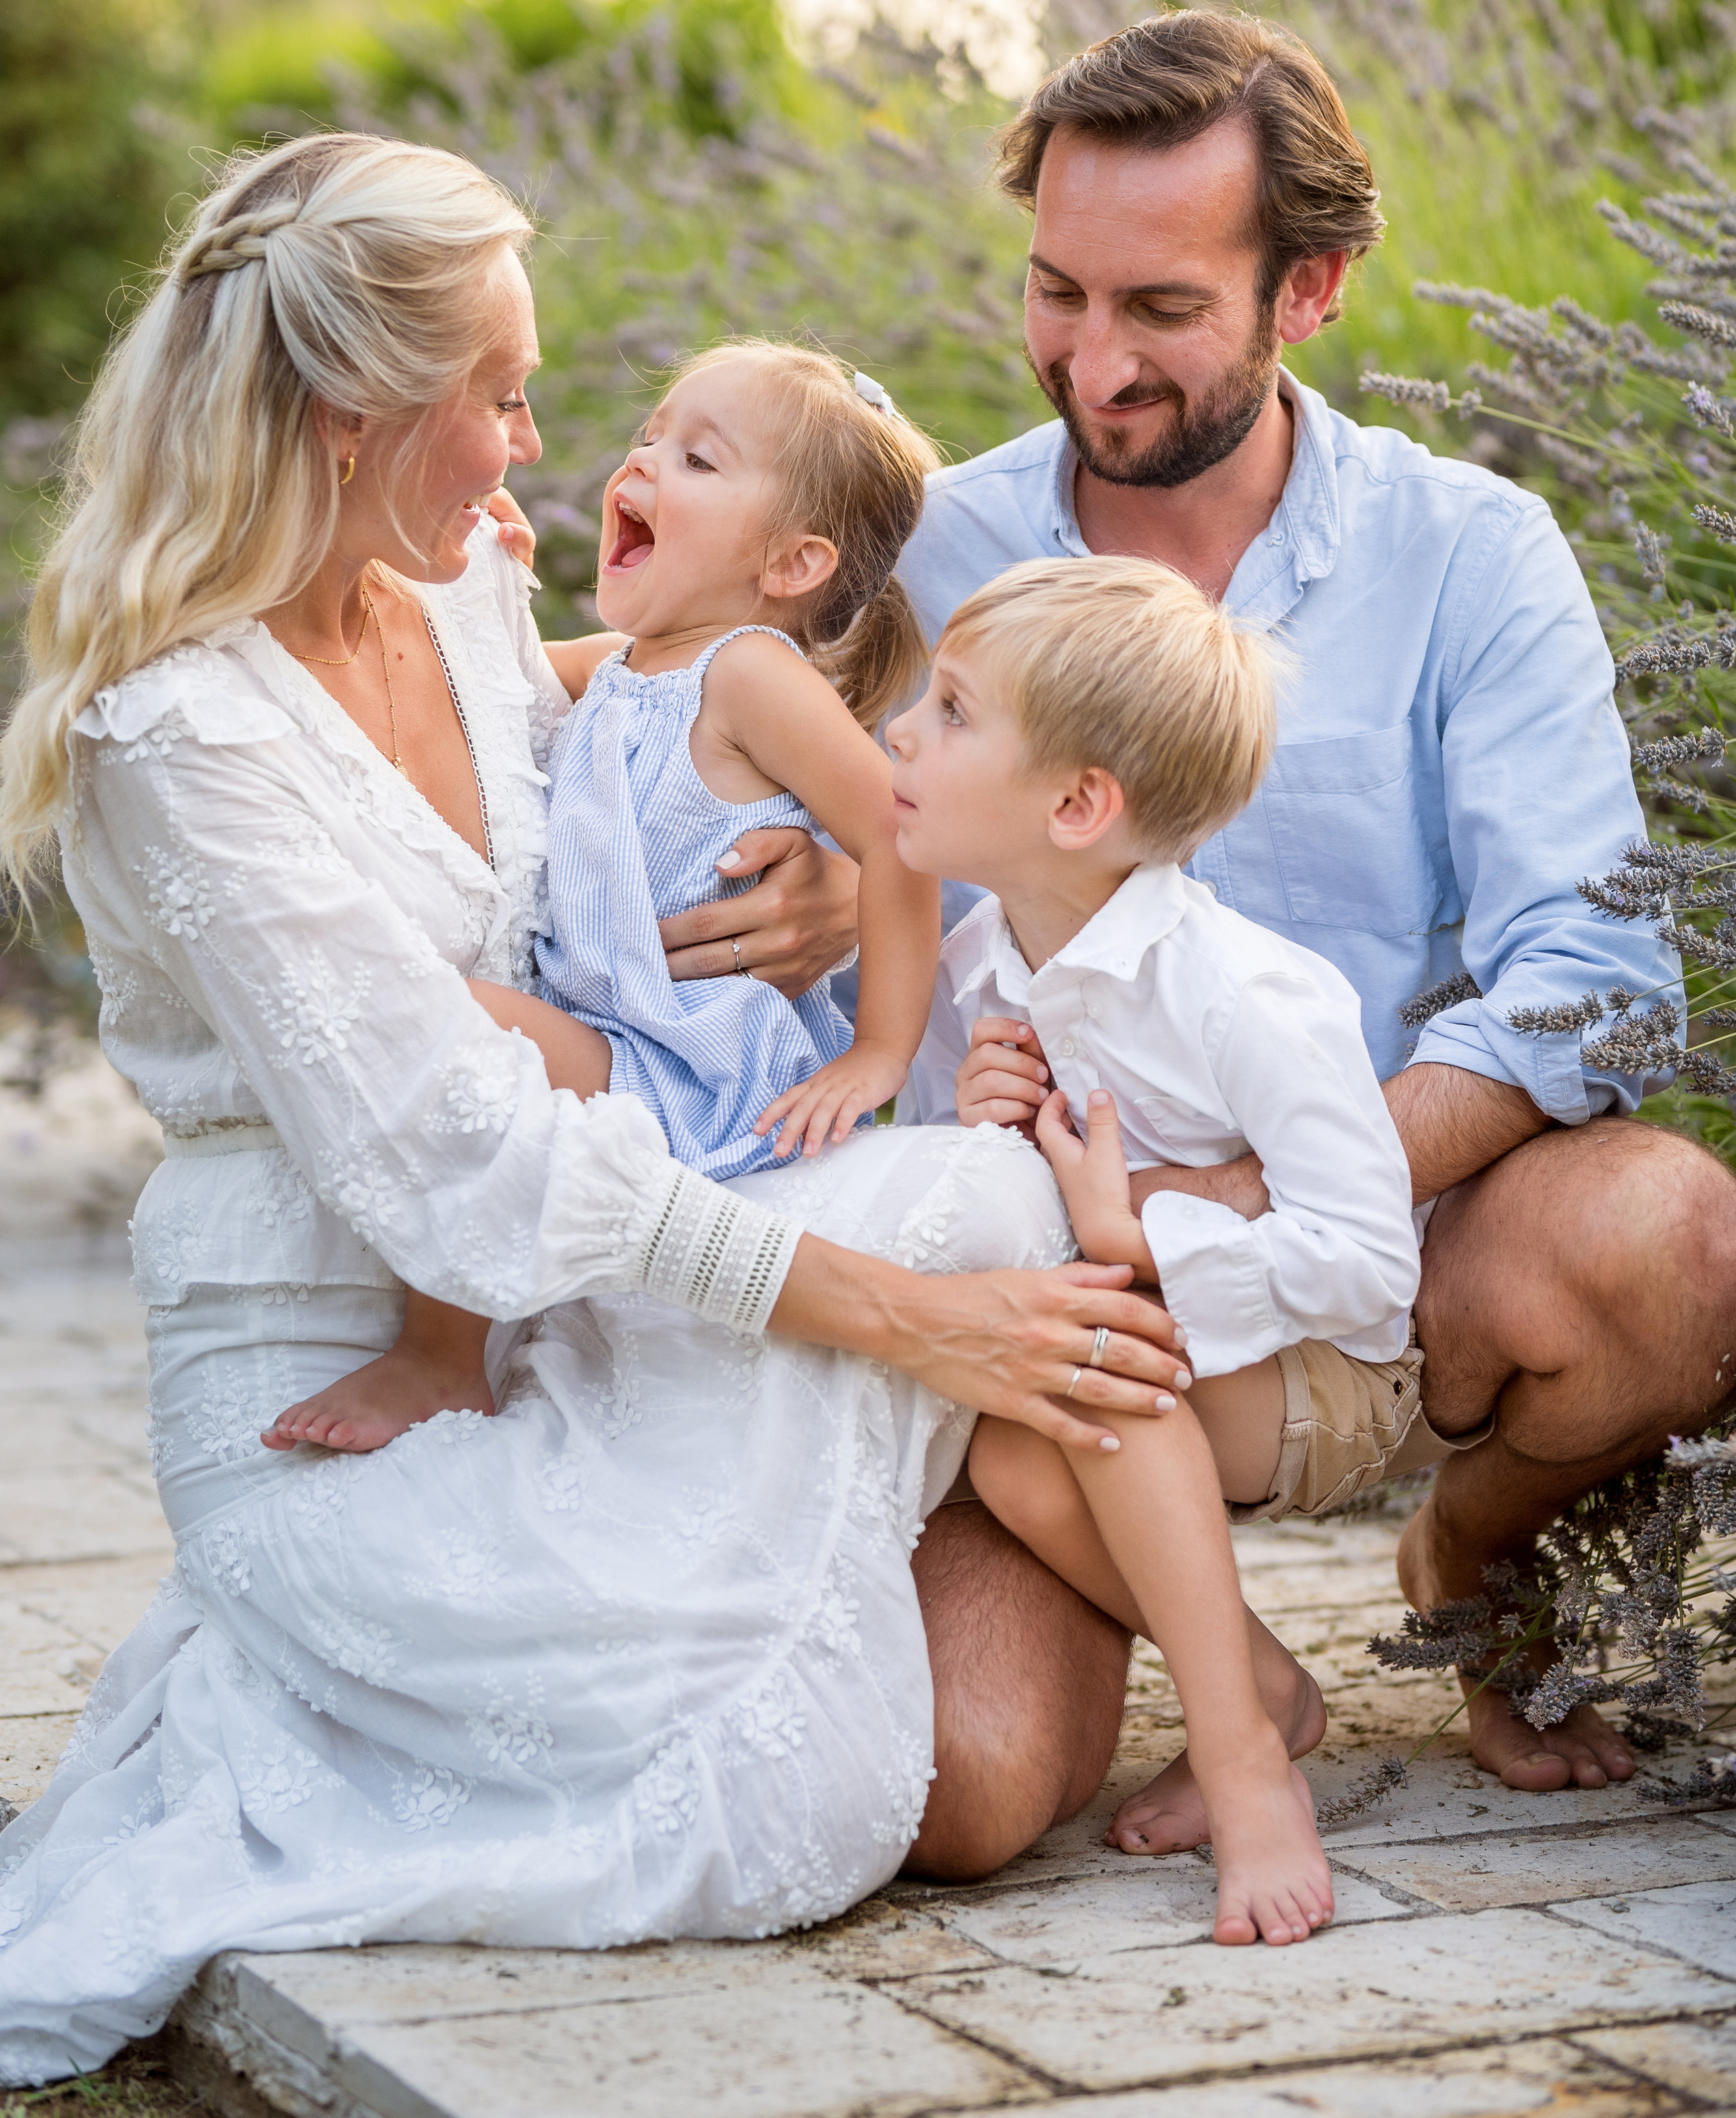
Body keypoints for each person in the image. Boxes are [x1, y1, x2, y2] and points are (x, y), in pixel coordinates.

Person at [0, 135, 1188, 2085]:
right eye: (498, 394)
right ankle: (975, 1518)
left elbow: (637, 748)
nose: (535, 446)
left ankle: (1057, 1568)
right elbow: (467, 1154)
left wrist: (808, 881)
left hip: (575, 1311)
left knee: (975, 1189)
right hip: (339, 1396)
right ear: (346, 410)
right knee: (827, 1784)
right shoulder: (178, 737)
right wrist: (885, 1316)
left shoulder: (456, 585)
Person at [638, 8, 1736, 1869]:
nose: (1091, 357)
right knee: (963, 1797)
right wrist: (846, 909)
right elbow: (695, 810)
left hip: (1382, 1235)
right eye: (1057, 290)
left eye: (1161, 307)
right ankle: (1237, 1663)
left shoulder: (1470, 552)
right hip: (1031, 1275)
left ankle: (1464, 1565)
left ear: (1307, 288)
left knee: (1679, 1246)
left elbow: (1600, 973)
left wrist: (1236, 1194)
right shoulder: (931, 549)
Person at [262, 340, 947, 1453]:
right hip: (621, 1036)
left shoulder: (748, 673)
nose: (642, 466)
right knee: (470, 1027)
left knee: (462, 1025)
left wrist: (880, 1054)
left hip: (695, 1059)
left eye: (697, 459)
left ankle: (443, 1362)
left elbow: (899, 835)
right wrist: (481, 573)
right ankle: (448, 1345)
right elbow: (488, 671)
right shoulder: (630, 662)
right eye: (647, 437)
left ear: (790, 562)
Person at [887, 555, 1423, 1942]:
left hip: (1320, 1383)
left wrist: (1149, 1238)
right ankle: (1264, 1688)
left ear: (1075, 807)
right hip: (1124, 1383)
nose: (901, 733)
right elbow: (964, 1205)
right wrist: (970, 1129)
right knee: (1011, 1445)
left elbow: (1369, 1261)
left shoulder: (1239, 990)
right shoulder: (975, 968)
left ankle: (1246, 1767)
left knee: (1084, 1373)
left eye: (949, 713)